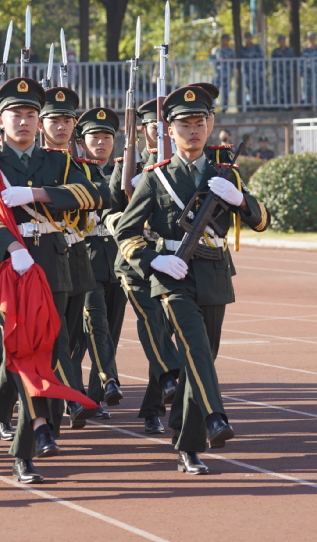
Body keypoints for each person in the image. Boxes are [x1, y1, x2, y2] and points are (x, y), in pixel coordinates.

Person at [115, 84, 269, 475]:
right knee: (196, 347)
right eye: (184, 124)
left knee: (200, 360)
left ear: (211, 124)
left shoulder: (225, 173)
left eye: (200, 122)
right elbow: (126, 233)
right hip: (173, 277)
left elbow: (262, 221)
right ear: (169, 130)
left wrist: (239, 199)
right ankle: (215, 419)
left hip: (214, 274)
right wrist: (155, 260)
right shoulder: (156, 178)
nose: (193, 130)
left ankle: (185, 442)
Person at [0, 77, 103, 484]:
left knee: (50, 351)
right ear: (0, 120)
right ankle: (32, 441)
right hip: (5, 269)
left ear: (38, 121)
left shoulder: (57, 162)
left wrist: (39, 194)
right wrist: (12, 248)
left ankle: (29, 422)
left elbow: (98, 195)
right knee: (23, 351)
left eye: (30, 114)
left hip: (51, 266)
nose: (23, 121)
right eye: (15, 114)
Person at [105, 98, 183, 435]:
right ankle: (169, 378)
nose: (159, 132)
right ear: (144, 130)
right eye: (153, 126)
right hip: (134, 260)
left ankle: (154, 406)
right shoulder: (128, 165)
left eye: (163, 126)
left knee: (165, 333)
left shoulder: (181, 164)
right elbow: (108, 211)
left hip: (173, 259)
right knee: (152, 322)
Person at [37, 85, 101, 429]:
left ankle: (63, 396)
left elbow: (96, 196)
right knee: (55, 334)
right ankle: (70, 397)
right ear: (41, 123)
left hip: (76, 256)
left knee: (73, 336)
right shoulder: (33, 164)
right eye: (54, 120)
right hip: (42, 256)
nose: (61, 126)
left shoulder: (80, 166)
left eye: (67, 120)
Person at [74, 106, 125, 411]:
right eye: (95, 137)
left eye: (107, 137)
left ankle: (95, 397)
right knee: (93, 325)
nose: (102, 142)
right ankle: (100, 383)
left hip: (117, 261)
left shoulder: (123, 172)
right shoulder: (74, 171)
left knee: (111, 330)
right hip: (86, 257)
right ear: (82, 142)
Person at [270, 34, 296, 106]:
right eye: (280, 40)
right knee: (278, 89)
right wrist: (273, 72)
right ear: (278, 41)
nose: (282, 41)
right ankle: (278, 105)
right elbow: (272, 63)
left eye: (283, 40)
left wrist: (293, 71)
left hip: (288, 73)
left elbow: (294, 62)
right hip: (278, 73)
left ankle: (289, 105)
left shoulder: (290, 51)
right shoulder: (275, 51)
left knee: (289, 89)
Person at [240, 33, 265, 105]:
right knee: (250, 89)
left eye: (249, 37)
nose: (248, 39)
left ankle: (260, 105)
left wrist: (262, 70)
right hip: (248, 74)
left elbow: (262, 58)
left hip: (258, 73)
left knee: (260, 89)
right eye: (246, 38)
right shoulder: (243, 49)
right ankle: (252, 105)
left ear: (251, 38)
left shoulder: (257, 48)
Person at [209, 34, 235, 104]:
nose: (225, 41)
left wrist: (228, 60)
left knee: (225, 93)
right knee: (213, 92)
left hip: (227, 75)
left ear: (228, 40)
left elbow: (235, 64)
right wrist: (219, 60)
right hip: (218, 75)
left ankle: (224, 108)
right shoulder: (216, 50)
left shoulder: (232, 51)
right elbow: (210, 61)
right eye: (223, 39)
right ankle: (211, 107)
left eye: (226, 39)